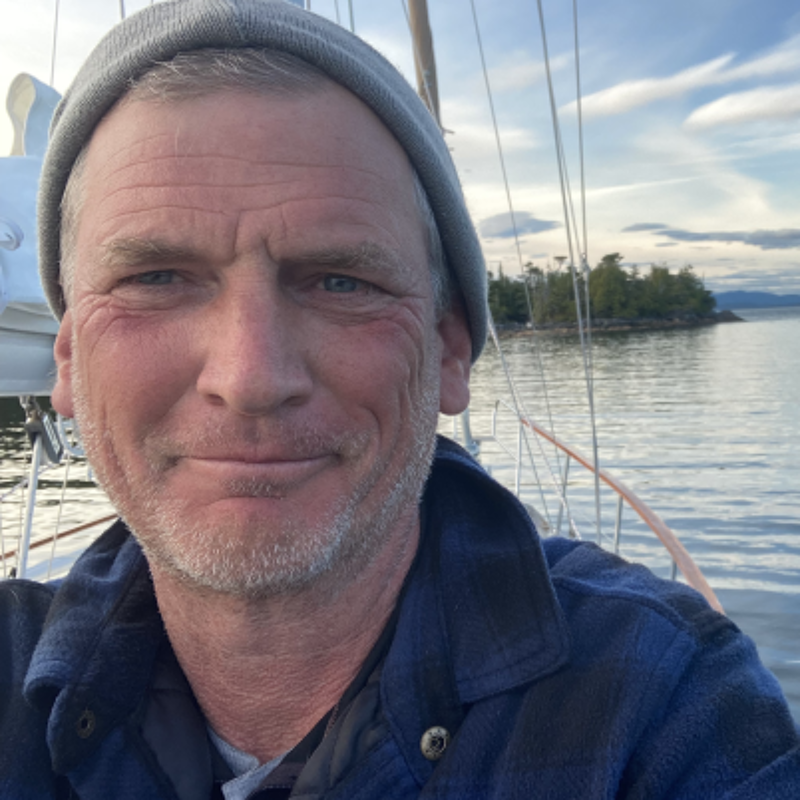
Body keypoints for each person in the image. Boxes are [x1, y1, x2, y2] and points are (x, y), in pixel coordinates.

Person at [1, 1, 798, 798]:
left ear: (451, 350)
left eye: (341, 281)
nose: (249, 378)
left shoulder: (658, 704)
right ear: (68, 356)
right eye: (156, 279)